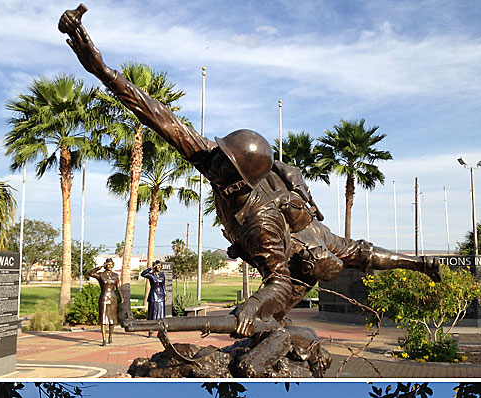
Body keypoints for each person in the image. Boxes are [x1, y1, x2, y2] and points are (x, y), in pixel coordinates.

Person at [59, 7, 441, 339]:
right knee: (330, 270)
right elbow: (160, 118)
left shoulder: (263, 223)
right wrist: (102, 70)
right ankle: (418, 265)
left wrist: (252, 304)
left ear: (241, 179)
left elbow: (278, 282)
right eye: (220, 155)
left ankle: (420, 264)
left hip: (300, 258)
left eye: (224, 161)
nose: (214, 162)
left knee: (330, 273)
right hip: (284, 239)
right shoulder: (216, 164)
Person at [89, 258, 123, 345]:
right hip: (104, 298)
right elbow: (90, 273)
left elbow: (118, 288)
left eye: (111, 264)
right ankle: (104, 339)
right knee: (103, 318)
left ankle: (110, 336)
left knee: (112, 319)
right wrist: (99, 267)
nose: (110, 266)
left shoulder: (115, 275)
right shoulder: (101, 275)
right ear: (105, 265)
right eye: (108, 264)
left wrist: (121, 297)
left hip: (113, 298)